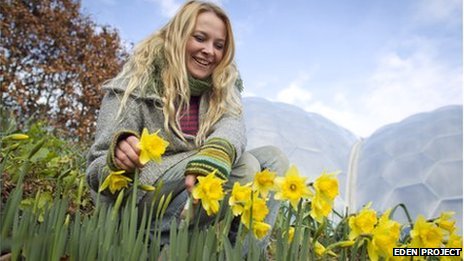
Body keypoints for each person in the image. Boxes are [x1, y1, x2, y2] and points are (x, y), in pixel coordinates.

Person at [86, 0, 289, 251]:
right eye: (200, 38)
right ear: (178, 36)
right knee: (245, 167)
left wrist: (217, 152)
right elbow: (94, 171)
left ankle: (241, 255)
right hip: (139, 200)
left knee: (273, 160)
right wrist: (116, 159)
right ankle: (165, 247)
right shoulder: (134, 83)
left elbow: (232, 127)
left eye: (219, 45)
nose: (209, 51)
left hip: (189, 192)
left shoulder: (223, 87)